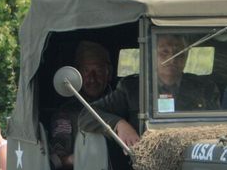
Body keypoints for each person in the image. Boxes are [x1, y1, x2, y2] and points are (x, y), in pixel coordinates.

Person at [78, 33, 219, 147]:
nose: (172, 59)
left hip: (192, 158)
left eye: (179, 53)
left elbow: (220, 126)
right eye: (164, 52)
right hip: (145, 166)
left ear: (186, 57)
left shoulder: (204, 89)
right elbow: (86, 115)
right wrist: (119, 124)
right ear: (152, 56)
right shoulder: (133, 88)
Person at [50, 41, 113, 169]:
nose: (92, 78)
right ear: (76, 74)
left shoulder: (121, 105)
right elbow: (58, 157)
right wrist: (74, 159)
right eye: (86, 71)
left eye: (99, 71)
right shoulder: (67, 113)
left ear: (109, 73)